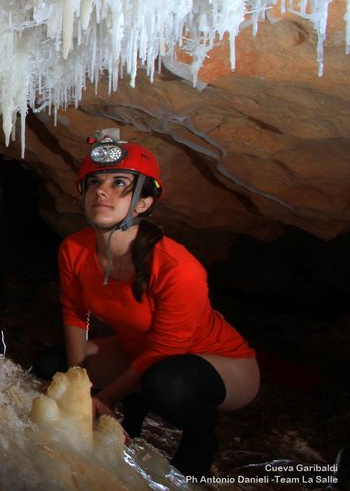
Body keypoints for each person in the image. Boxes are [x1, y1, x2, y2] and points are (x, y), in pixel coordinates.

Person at [31, 129, 259, 477]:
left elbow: (168, 347)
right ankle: (133, 410)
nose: (102, 191)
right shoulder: (74, 249)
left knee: (166, 384)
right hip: (138, 350)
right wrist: (78, 383)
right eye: (95, 183)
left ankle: (202, 435)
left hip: (216, 362)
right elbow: (75, 313)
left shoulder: (178, 268)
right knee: (52, 365)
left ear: (143, 203)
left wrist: (106, 398)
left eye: (120, 182)